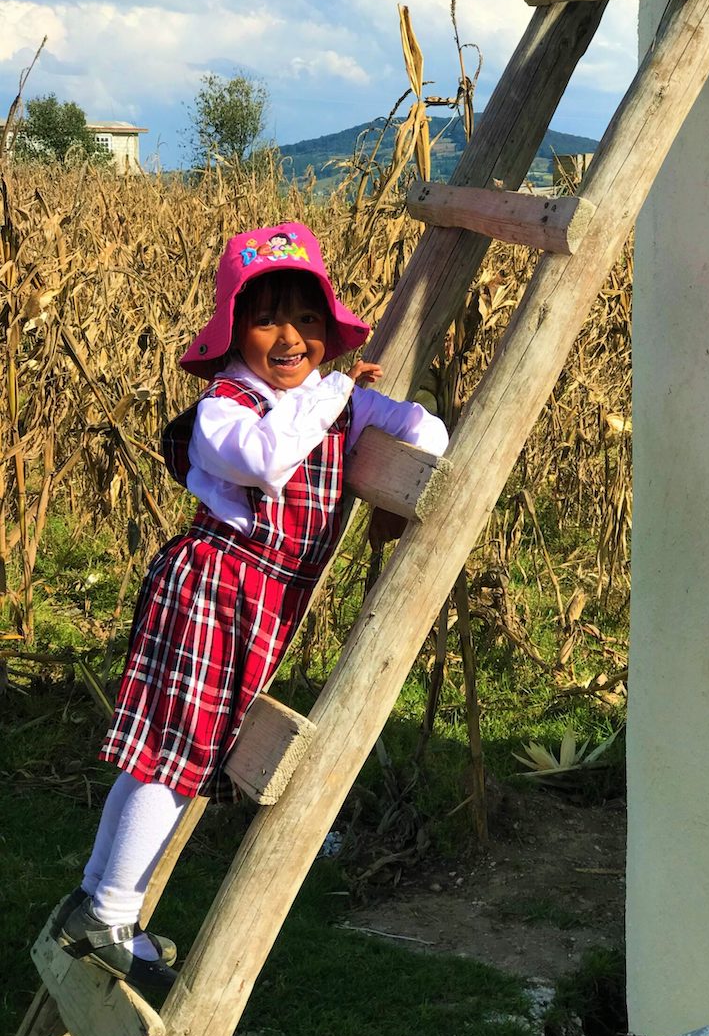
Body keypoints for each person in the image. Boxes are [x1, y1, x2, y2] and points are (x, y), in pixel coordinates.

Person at [53, 223, 448, 992]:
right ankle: (107, 908)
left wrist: (408, 453)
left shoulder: (331, 402)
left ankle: (97, 902)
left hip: (257, 605)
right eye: (268, 318)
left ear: (325, 329)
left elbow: (415, 425)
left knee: (174, 754)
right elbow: (266, 460)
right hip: (214, 589)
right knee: (173, 755)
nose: (291, 336)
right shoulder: (227, 408)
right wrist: (338, 392)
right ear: (237, 331)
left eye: (306, 318)